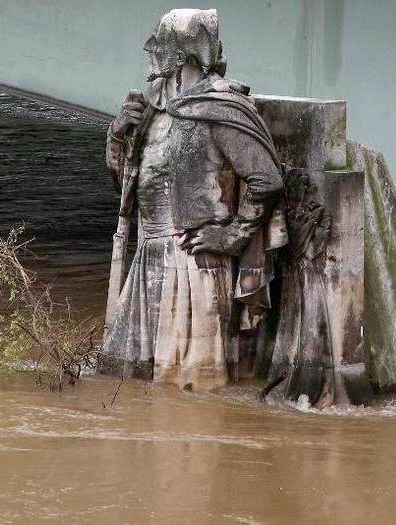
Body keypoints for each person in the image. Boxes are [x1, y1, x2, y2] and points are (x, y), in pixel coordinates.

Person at [101, 8, 286, 391]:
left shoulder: (219, 108)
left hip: (193, 261)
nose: (150, 56)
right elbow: (127, 187)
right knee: (123, 380)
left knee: (189, 388)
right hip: (147, 255)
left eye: (160, 46)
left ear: (183, 55)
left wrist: (232, 236)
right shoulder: (149, 110)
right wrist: (118, 135)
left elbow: (266, 180)